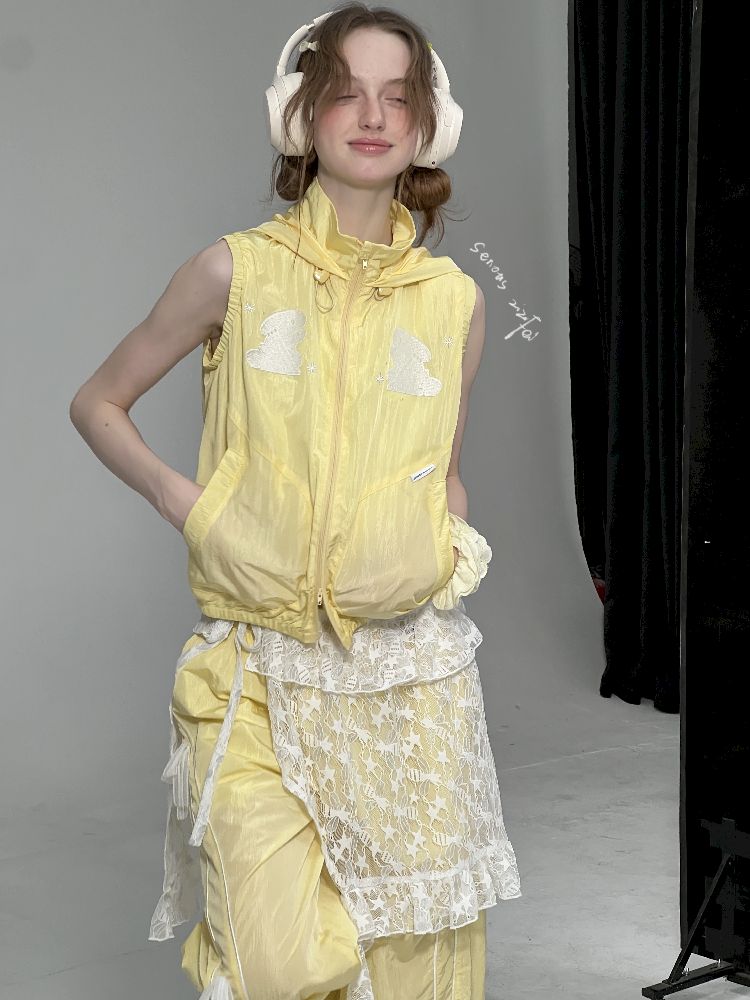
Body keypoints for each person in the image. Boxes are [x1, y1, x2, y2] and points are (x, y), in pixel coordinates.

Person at [69, 4, 521, 998]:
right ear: (301, 116)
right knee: (282, 962)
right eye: (345, 94)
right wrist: (192, 507)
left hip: (409, 685)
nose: (373, 116)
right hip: (259, 673)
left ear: (429, 124)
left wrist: (438, 550)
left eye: (397, 96)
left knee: (413, 973)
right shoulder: (234, 270)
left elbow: (441, 465)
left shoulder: (455, 300)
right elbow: (98, 401)